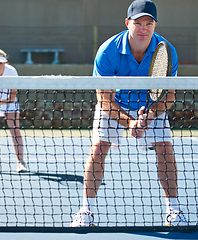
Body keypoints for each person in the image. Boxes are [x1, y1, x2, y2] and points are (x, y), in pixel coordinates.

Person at [70, 0, 188, 227]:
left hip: (150, 107)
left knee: (165, 148)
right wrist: (130, 122)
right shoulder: (108, 51)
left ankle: (173, 211)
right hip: (116, 105)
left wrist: (150, 115)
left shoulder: (166, 50)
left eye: (149, 23)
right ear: (127, 23)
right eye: (138, 23)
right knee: (98, 146)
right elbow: (104, 99)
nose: (143, 28)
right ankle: (86, 211)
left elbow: (169, 96)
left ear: (155, 25)